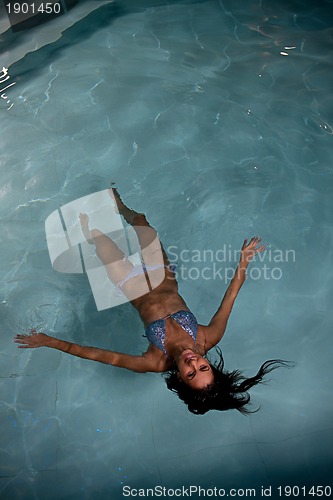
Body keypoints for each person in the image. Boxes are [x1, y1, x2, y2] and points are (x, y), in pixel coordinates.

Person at [14, 188, 291, 415]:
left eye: (191, 373)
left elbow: (97, 354)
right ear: (209, 363)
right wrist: (243, 262)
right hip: (162, 275)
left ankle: (87, 233)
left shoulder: (154, 362)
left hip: (127, 283)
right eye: (203, 367)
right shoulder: (208, 337)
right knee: (143, 223)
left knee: (98, 239)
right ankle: (121, 206)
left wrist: (50, 341)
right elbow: (231, 296)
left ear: (180, 380)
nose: (193, 363)